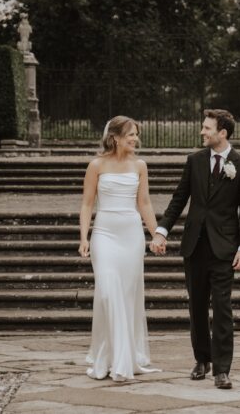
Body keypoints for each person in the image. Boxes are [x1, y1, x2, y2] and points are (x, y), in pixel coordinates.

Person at [151, 109, 240, 390]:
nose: (202, 132)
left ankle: (222, 369)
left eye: (207, 128)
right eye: (203, 127)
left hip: (225, 249)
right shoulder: (194, 161)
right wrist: (161, 231)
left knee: (222, 309)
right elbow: (179, 199)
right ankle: (202, 359)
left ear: (222, 133)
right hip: (194, 245)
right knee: (197, 306)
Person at [79, 116, 162, 381]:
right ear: (114, 137)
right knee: (107, 292)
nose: (135, 139)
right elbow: (87, 204)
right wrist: (84, 237)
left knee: (126, 297)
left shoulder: (140, 166)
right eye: (130, 135)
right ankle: (107, 357)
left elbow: (145, 203)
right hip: (104, 235)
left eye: (136, 134)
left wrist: (156, 233)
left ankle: (122, 360)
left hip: (131, 237)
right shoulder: (96, 165)